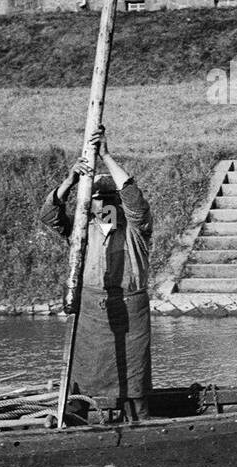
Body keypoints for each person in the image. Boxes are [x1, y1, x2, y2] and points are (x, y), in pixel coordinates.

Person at [41, 127, 153, 422]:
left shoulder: (136, 229)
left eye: (109, 201)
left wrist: (105, 156)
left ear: (118, 204)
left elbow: (133, 198)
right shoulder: (81, 228)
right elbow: (49, 215)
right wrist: (71, 180)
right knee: (82, 374)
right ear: (90, 205)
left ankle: (137, 421)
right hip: (90, 310)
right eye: (97, 201)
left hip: (130, 311)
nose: (104, 207)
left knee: (133, 377)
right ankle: (75, 417)